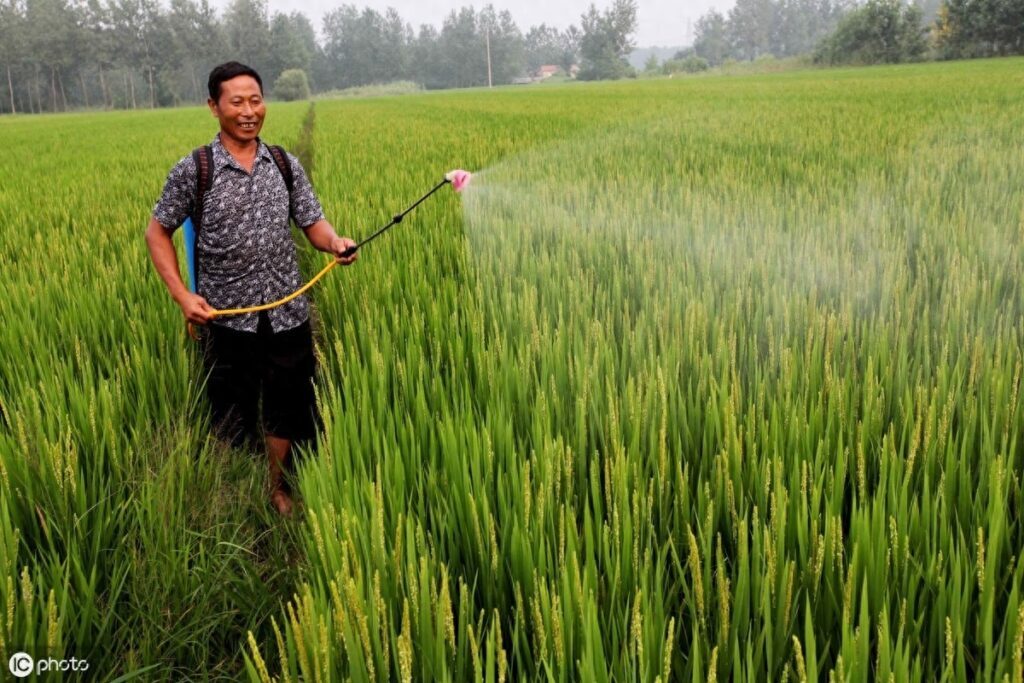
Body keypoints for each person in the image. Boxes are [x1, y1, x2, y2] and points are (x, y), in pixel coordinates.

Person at [144, 61, 357, 516]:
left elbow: (312, 222)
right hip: (226, 320)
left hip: (287, 312)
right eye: (236, 101)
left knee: (287, 402)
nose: (248, 111)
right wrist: (183, 296)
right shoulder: (195, 169)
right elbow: (156, 232)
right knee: (231, 411)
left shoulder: (282, 162)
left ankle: (277, 488)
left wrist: (334, 242)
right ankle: (233, 491)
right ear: (213, 106)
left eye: (255, 100)